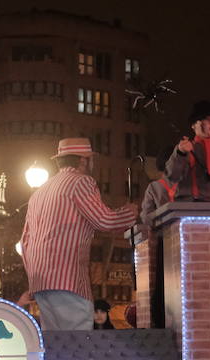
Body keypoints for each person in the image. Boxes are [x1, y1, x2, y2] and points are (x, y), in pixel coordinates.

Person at [21, 137, 138, 331]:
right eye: (91, 158)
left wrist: (34, 276)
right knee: (78, 342)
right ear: (83, 160)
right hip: (67, 277)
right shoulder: (81, 182)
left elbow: (25, 241)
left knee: (56, 344)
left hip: (40, 280)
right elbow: (104, 220)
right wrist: (130, 212)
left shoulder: (39, 192)